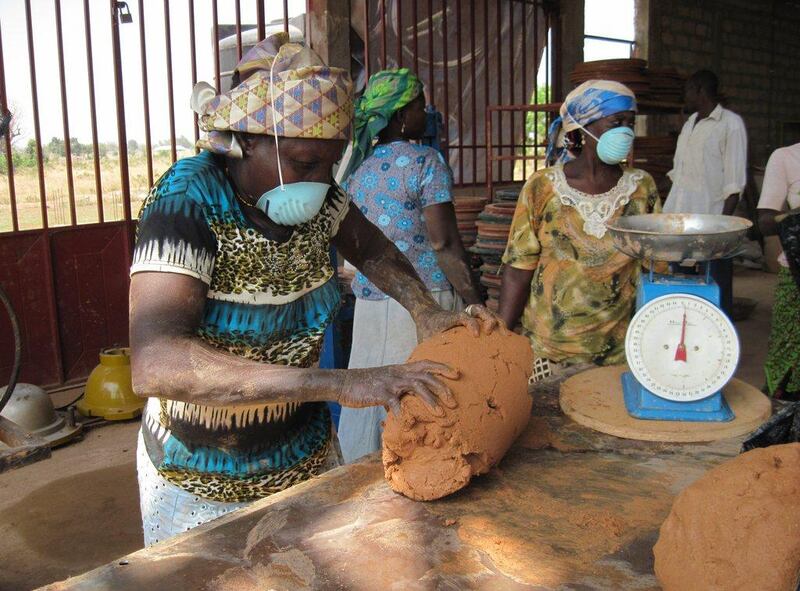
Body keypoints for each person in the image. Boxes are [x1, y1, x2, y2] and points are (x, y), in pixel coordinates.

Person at [129, 34, 501, 546]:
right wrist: (341, 383)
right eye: (305, 164)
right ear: (246, 141)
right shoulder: (188, 200)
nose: (324, 181)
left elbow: (371, 247)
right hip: (202, 477)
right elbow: (158, 365)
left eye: (332, 163)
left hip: (304, 455)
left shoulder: (318, 199)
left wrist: (425, 310)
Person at [335, 69, 484, 463]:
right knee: (423, 396)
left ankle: (353, 476)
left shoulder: (358, 171)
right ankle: (421, 472)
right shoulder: (425, 161)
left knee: (367, 392)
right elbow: (445, 242)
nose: (426, 110)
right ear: (401, 115)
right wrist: (474, 298)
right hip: (423, 301)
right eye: (419, 103)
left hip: (371, 300)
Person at [499, 80, 660, 382]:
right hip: (548, 353)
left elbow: (654, 266)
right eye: (616, 122)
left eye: (630, 122)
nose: (626, 131)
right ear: (583, 128)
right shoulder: (542, 186)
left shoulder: (641, 188)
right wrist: (501, 337)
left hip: (618, 354)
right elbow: (518, 268)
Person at [663, 70, 748, 315]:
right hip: (681, 221)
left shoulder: (730, 124)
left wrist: (722, 228)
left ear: (699, 90)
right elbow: (679, 172)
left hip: (711, 222)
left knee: (717, 287)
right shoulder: (690, 123)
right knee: (682, 283)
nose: (685, 96)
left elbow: (734, 182)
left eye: (688, 90)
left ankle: (722, 337)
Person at [757, 142, 800, 400]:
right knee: (786, 361)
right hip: (795, 277)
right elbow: (764, 221)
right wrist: (795, 217)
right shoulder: (786, 157)